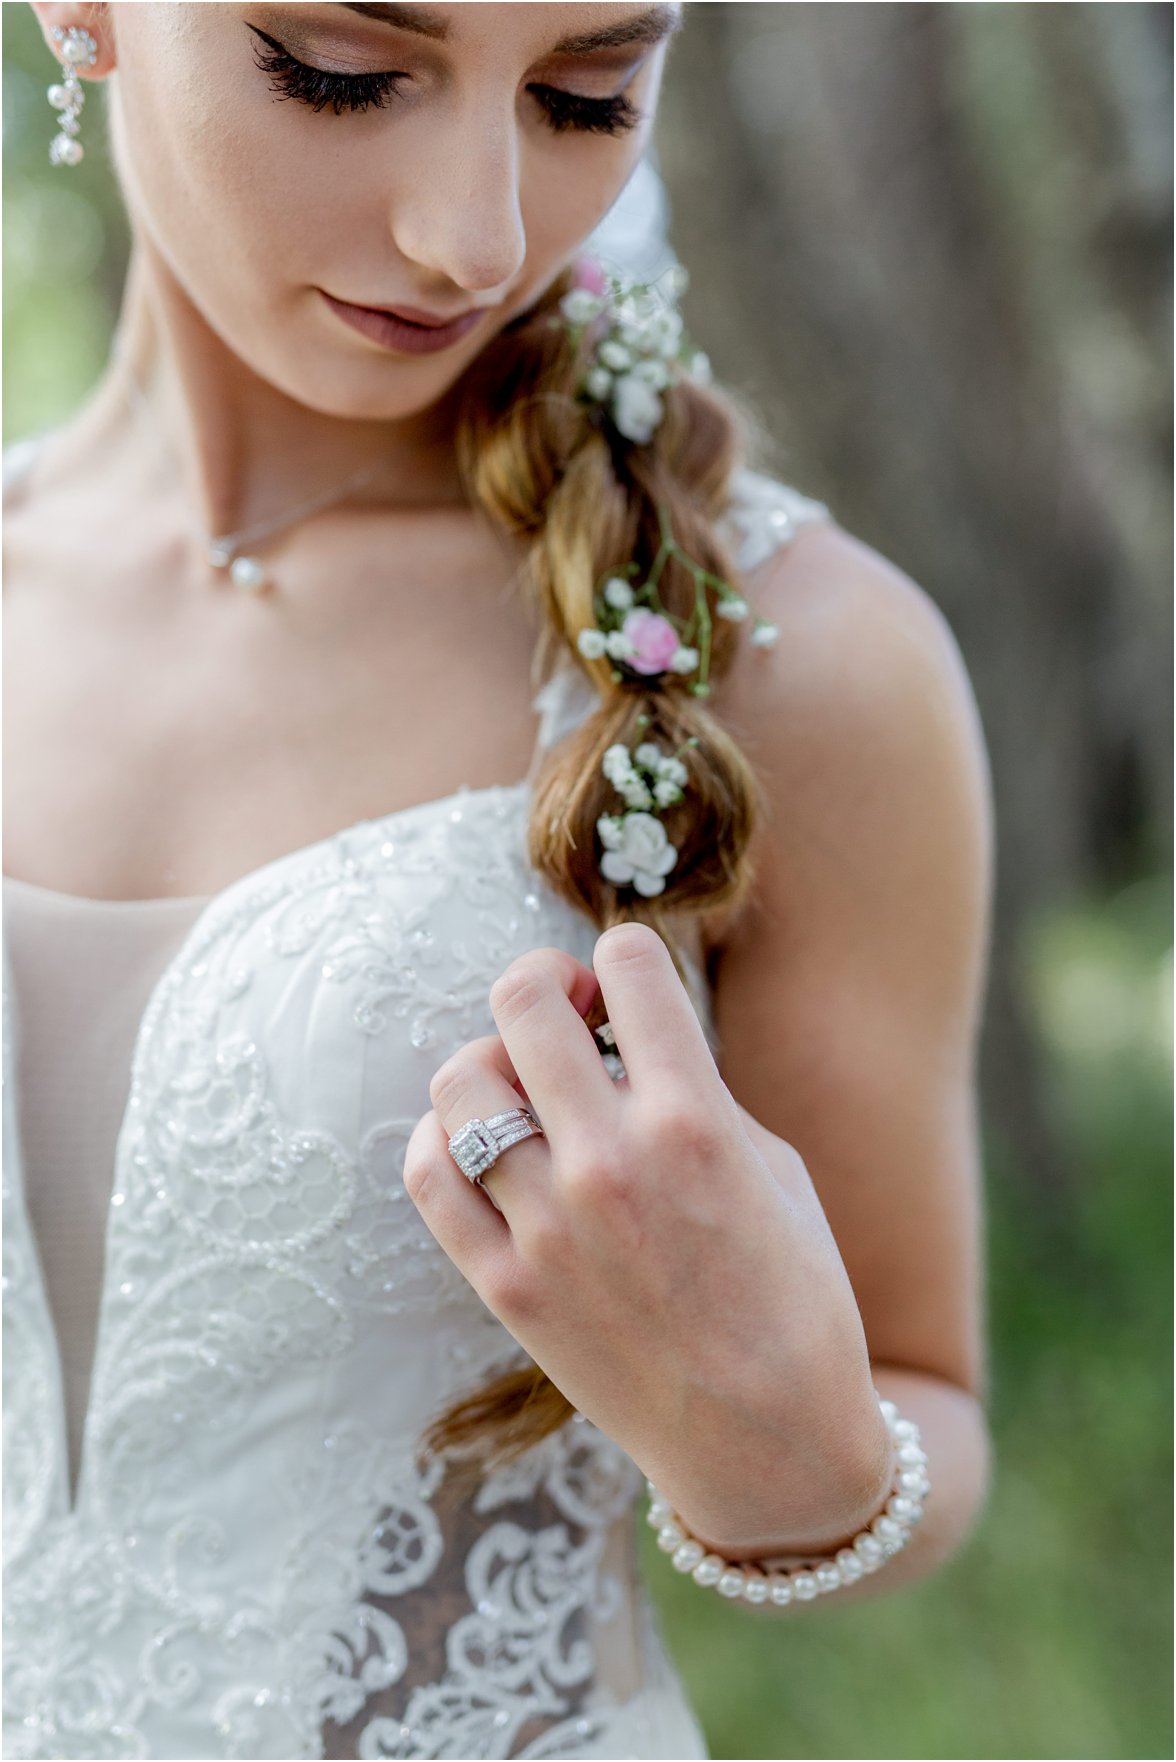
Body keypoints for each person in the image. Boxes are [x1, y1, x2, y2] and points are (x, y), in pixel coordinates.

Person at [2, 5, 995, 1758]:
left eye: (583, 95)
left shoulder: (790, 659)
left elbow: (929, 1405)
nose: (475, 233)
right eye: (342, 71)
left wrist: (791, 1460)